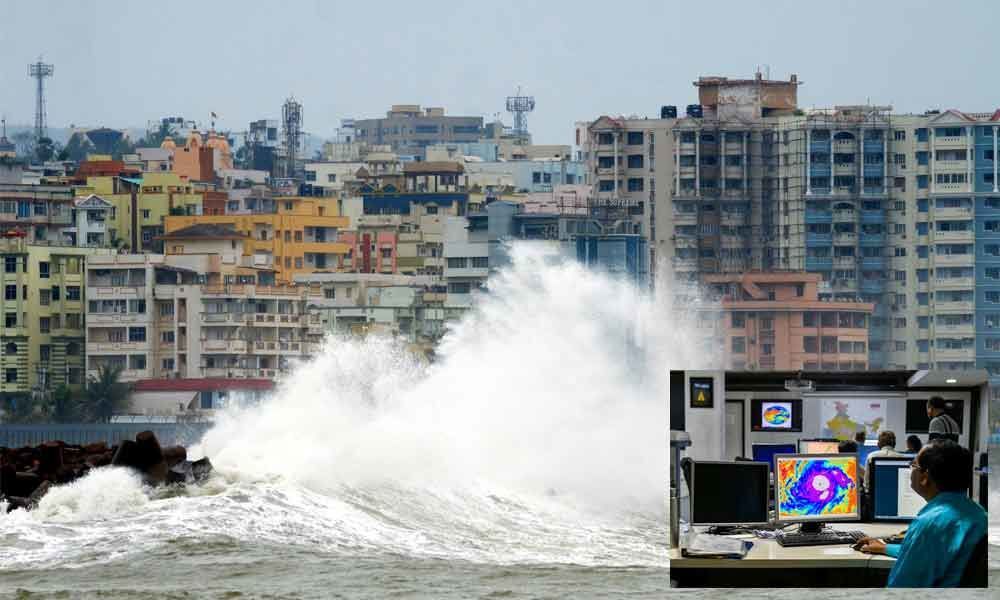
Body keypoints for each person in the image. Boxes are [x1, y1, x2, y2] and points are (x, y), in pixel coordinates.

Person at [855, 440, 986, 587]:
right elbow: (934, 554)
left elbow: (901, 589)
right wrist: (885, 548)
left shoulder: (931, 524)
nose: (911, 469)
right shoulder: (978, 514)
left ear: (925, 477)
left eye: (914, 465)